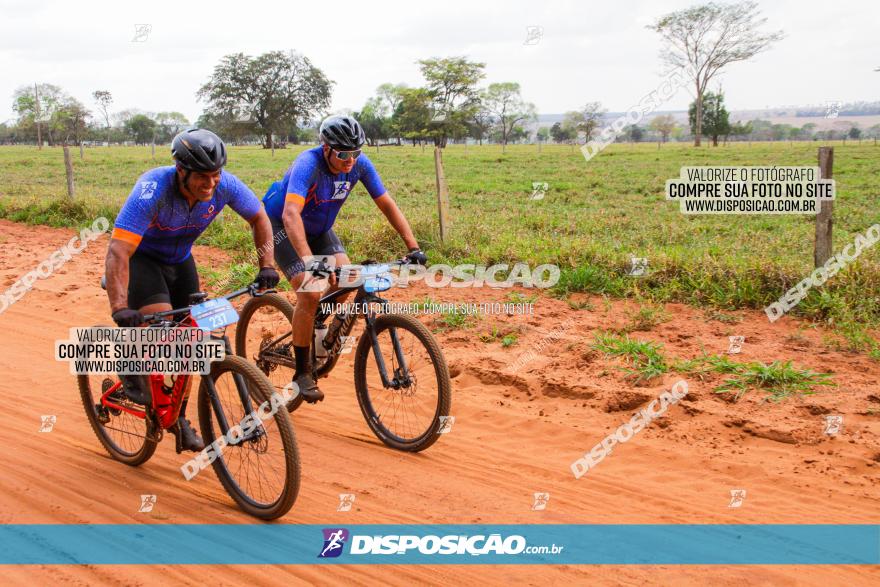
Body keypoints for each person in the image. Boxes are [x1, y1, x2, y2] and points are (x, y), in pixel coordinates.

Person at [105, 128, 280, 452]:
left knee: (191, 336)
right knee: (163, 333)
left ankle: (177, 418)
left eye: (215, 175)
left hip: (181, 261)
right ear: (181, 171)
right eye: (203, 177)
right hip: (141, 260)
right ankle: (131, 366)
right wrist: (119, 306)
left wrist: (266, 264)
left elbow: (260, 217)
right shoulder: (153, 188)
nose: (211, 184)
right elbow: (118, 251)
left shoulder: (224, 185)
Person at [262, 115, 426, 409]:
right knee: (311, 291)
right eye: (343, 154)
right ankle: (301, 373)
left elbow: (386, 203)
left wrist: (413, 246)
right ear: (326, 148)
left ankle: (314, 329)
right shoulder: (308, 163)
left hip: (320, 228)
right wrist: (312, 263)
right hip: (282, 227)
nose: (350, 160)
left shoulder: (359, 164)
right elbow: (290, 215)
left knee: (348, 278)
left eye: (356, 152)